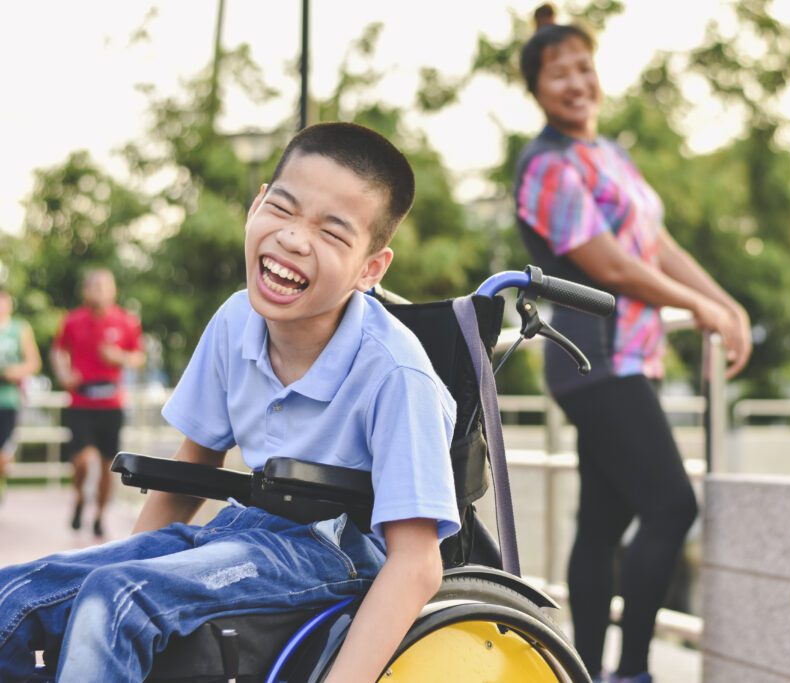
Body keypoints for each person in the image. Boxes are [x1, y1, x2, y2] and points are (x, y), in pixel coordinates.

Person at [0, 122, 460, 683]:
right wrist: (139, 564)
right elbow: (192, 468)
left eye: (332, 233)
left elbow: (416, 565)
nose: (294, 238)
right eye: (283, 209)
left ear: (371, 269)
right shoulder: (237, 319)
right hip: (241, 530)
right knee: (15, 596)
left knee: (115, 602)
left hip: (334, 550)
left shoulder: (395, 371)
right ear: (256, 205)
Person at [514, 7, 753, 682]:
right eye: (557, 73)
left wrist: (722, 301)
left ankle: (585, 669)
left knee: (601, 520)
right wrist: (698, 305)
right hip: (595, 359)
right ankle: (632, 671)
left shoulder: (608, 155)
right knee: (672, 504)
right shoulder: (545, 165)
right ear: (536, 90)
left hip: (627, 358)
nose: (575, 82)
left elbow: (658, 245)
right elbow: (610, 262)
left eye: (583, 68)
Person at [50, 268, 146, 537]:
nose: (100, 291)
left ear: (113, 290)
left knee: (106, 465)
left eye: (105, 286)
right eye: (95, 286)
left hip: (111, 403)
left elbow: (139, 357)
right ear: (86, 290)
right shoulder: (72, 321)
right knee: (82, 461)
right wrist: (63, 373)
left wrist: (120, 357)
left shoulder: (126, 321)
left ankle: (100, 515)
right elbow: (58, 351)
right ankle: (80, 496)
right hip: (80, 401)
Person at [0, 288, 43, 500]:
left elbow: (33, 362)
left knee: (3, 454)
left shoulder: (19, 328)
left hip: (9, 401)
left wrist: (14, 372)